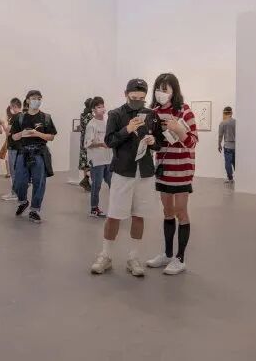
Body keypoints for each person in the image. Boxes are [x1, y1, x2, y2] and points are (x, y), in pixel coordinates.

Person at [90, 79, 163, 277]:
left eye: (141, 98)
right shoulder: (116, 114)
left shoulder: (151, 115)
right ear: (126, 94)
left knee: (139, 215)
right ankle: (105, 255)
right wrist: (127, 129)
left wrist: (153, 141)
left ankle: (134, 257)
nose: (137, 101)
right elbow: (109, 141)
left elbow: (159, 143)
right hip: (123, 172)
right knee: (114, 214)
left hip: (145, 172)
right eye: (134, 97)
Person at [146, 73, 198, 276]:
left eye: (165, 89)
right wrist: (151, 141)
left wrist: (179, 129)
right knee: (167, 211)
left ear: (174, 90)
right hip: (163, 168)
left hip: (182, 169)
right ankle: (168, 254)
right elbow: (156, 143)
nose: (161, 93)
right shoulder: (153, 113)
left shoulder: (184, 111)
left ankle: (180, 258)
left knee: (181, 212)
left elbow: (193, 142)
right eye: (158, 88)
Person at [10, 90, 57, 223]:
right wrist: (22, 134)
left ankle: (34, 210)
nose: (37, 101)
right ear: (28, 100)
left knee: (39, 182)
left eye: (39, 98)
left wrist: (37, 134)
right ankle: (23, 201)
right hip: (23, 152)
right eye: (34, 98)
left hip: (39, 153)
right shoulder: (20, 118)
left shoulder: (46, 117)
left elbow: (51, 136)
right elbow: (13, 137)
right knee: (19, 182)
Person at [84, 97, 112, 218]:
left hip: (108, 158)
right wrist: (101, 144)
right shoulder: (91, 125)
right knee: (97, 184)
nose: (102, 109)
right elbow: (87, 143)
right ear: (93, 109)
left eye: (102, 106)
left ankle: (116, 206)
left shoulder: (106, 123)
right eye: (98, 107)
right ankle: (94, 208)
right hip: (97, 159)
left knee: (112, 182)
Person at [2, 98, 23, 201]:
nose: (10, 108)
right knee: (17, 171)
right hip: (19, 147)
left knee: (13, 171)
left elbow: (8, 132)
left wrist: (2, 124)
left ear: (14, 106)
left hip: (14, 147)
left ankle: (14, 193)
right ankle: (17, 192)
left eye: (11, 106)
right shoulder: (23, 116)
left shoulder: (15, 117)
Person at [78, 98, 94, 192]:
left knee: (86, 163)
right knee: (91, 162)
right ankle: (86, 181)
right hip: (89, 142)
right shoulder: (90, 116)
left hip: (83, 141)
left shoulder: (83, 115)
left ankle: (86, 182)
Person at [218, 106, 236, 183]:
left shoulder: (223, 123)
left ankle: (230, 178)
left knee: (228, 163)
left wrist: (219, 144)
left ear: (224, 113)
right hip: (235, 146)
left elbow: (220, 135)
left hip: (228, 146)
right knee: (235, 163)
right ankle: (240, 178)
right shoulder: (236, 122)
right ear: (231, 113)